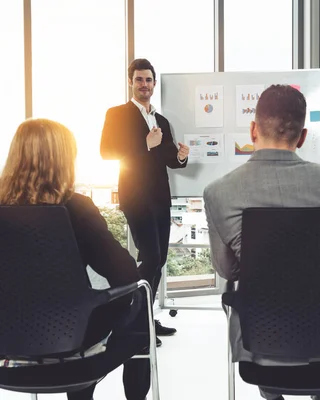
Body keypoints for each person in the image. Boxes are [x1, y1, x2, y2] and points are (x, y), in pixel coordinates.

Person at [203, 84, 320, 400]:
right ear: (302, 136)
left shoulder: (219, 192)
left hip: (266, 354)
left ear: (253, 130)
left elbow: (228, 270)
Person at [0, 118, 151, 400]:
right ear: (63, 160)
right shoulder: (76, 208)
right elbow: (125, 274)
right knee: (140, 311)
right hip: (70, 340)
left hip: (6, 344)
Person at [100, 58, 189, 342]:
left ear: (153, 83)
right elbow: (106, 151)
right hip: (136, 198)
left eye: (148, 80)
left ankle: (145, 318)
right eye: (139, 80)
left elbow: (168, 159)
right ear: (131, 82)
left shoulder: (161, 120)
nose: (144, 85)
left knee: (159, 259)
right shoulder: (117, 114)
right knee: (149, 257)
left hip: (161, 198)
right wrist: (143, 144)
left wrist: (181, 157)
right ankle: (136, 322)